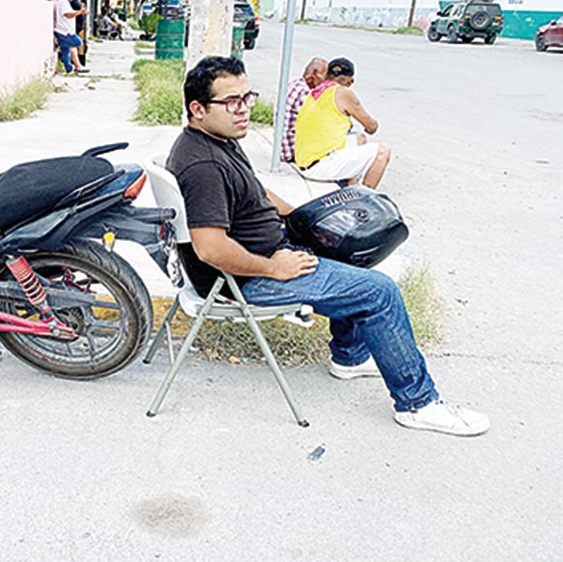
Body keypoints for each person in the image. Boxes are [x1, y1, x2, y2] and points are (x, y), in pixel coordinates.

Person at [166, 55, 489, 436]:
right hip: (244, 277)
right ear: (197, 109)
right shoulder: (203, 166)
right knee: (379, 291)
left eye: (247, 96)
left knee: (351, 247)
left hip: (265, 251)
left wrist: (302, 217)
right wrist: (275, 267)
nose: (244, 109)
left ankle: (350, 357)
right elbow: (210, 249)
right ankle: (417, 403)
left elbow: (255, 192)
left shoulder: (217, 138)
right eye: (232, 101)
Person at [294, 57, 390, 188]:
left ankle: (349, 188)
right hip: (320, 166)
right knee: (382, 151)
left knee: (359, 139)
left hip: (305, 162)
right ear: (349, 80)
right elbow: (371, 126)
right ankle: (362, 199)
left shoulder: (315, 92)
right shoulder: (343, 93)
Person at [280, 58, 327, 163]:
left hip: (283, 147)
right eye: (324, 78)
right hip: (292, 151)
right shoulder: (305, 94)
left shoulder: (294, 85)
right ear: (314, 76)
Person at [54, 0, 88, 75]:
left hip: (64, 30)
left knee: (65, 50)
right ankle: (76, 66)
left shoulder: (64, 2)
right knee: (78, 42)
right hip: (65, 31)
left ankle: (69, 69)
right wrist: (79, 12)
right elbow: (68, 14)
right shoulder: (63, 2)